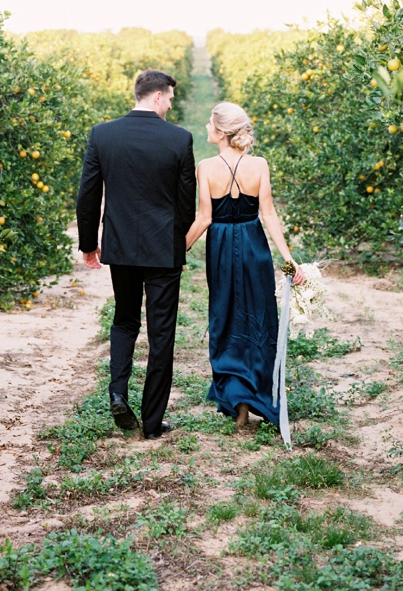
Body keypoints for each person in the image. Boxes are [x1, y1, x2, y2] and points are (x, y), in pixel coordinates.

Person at [76, 69, 196, 439]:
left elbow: (88, 195)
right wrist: (177, 245)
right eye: (171, 98)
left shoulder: (103, 134)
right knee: (162, 333)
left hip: (122, 247)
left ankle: (117, 392)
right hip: (163, 251)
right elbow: (185, 203)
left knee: (125, 320)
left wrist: (88, 244)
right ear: (158, 96)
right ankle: (152, 422)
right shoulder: (179, 139)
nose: (171, 104)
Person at [183, 102, 306, 429]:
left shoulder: (206, 167)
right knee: (259, 317)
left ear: (222, 132)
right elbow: (267, 214)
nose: (207, 126)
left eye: (210, 121)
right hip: (254, 246)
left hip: (221, 247)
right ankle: (256, 394)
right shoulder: (259, 165)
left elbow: (205, 218)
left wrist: (178, 250)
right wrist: (287, 257)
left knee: (225, 316)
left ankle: (236, 399)